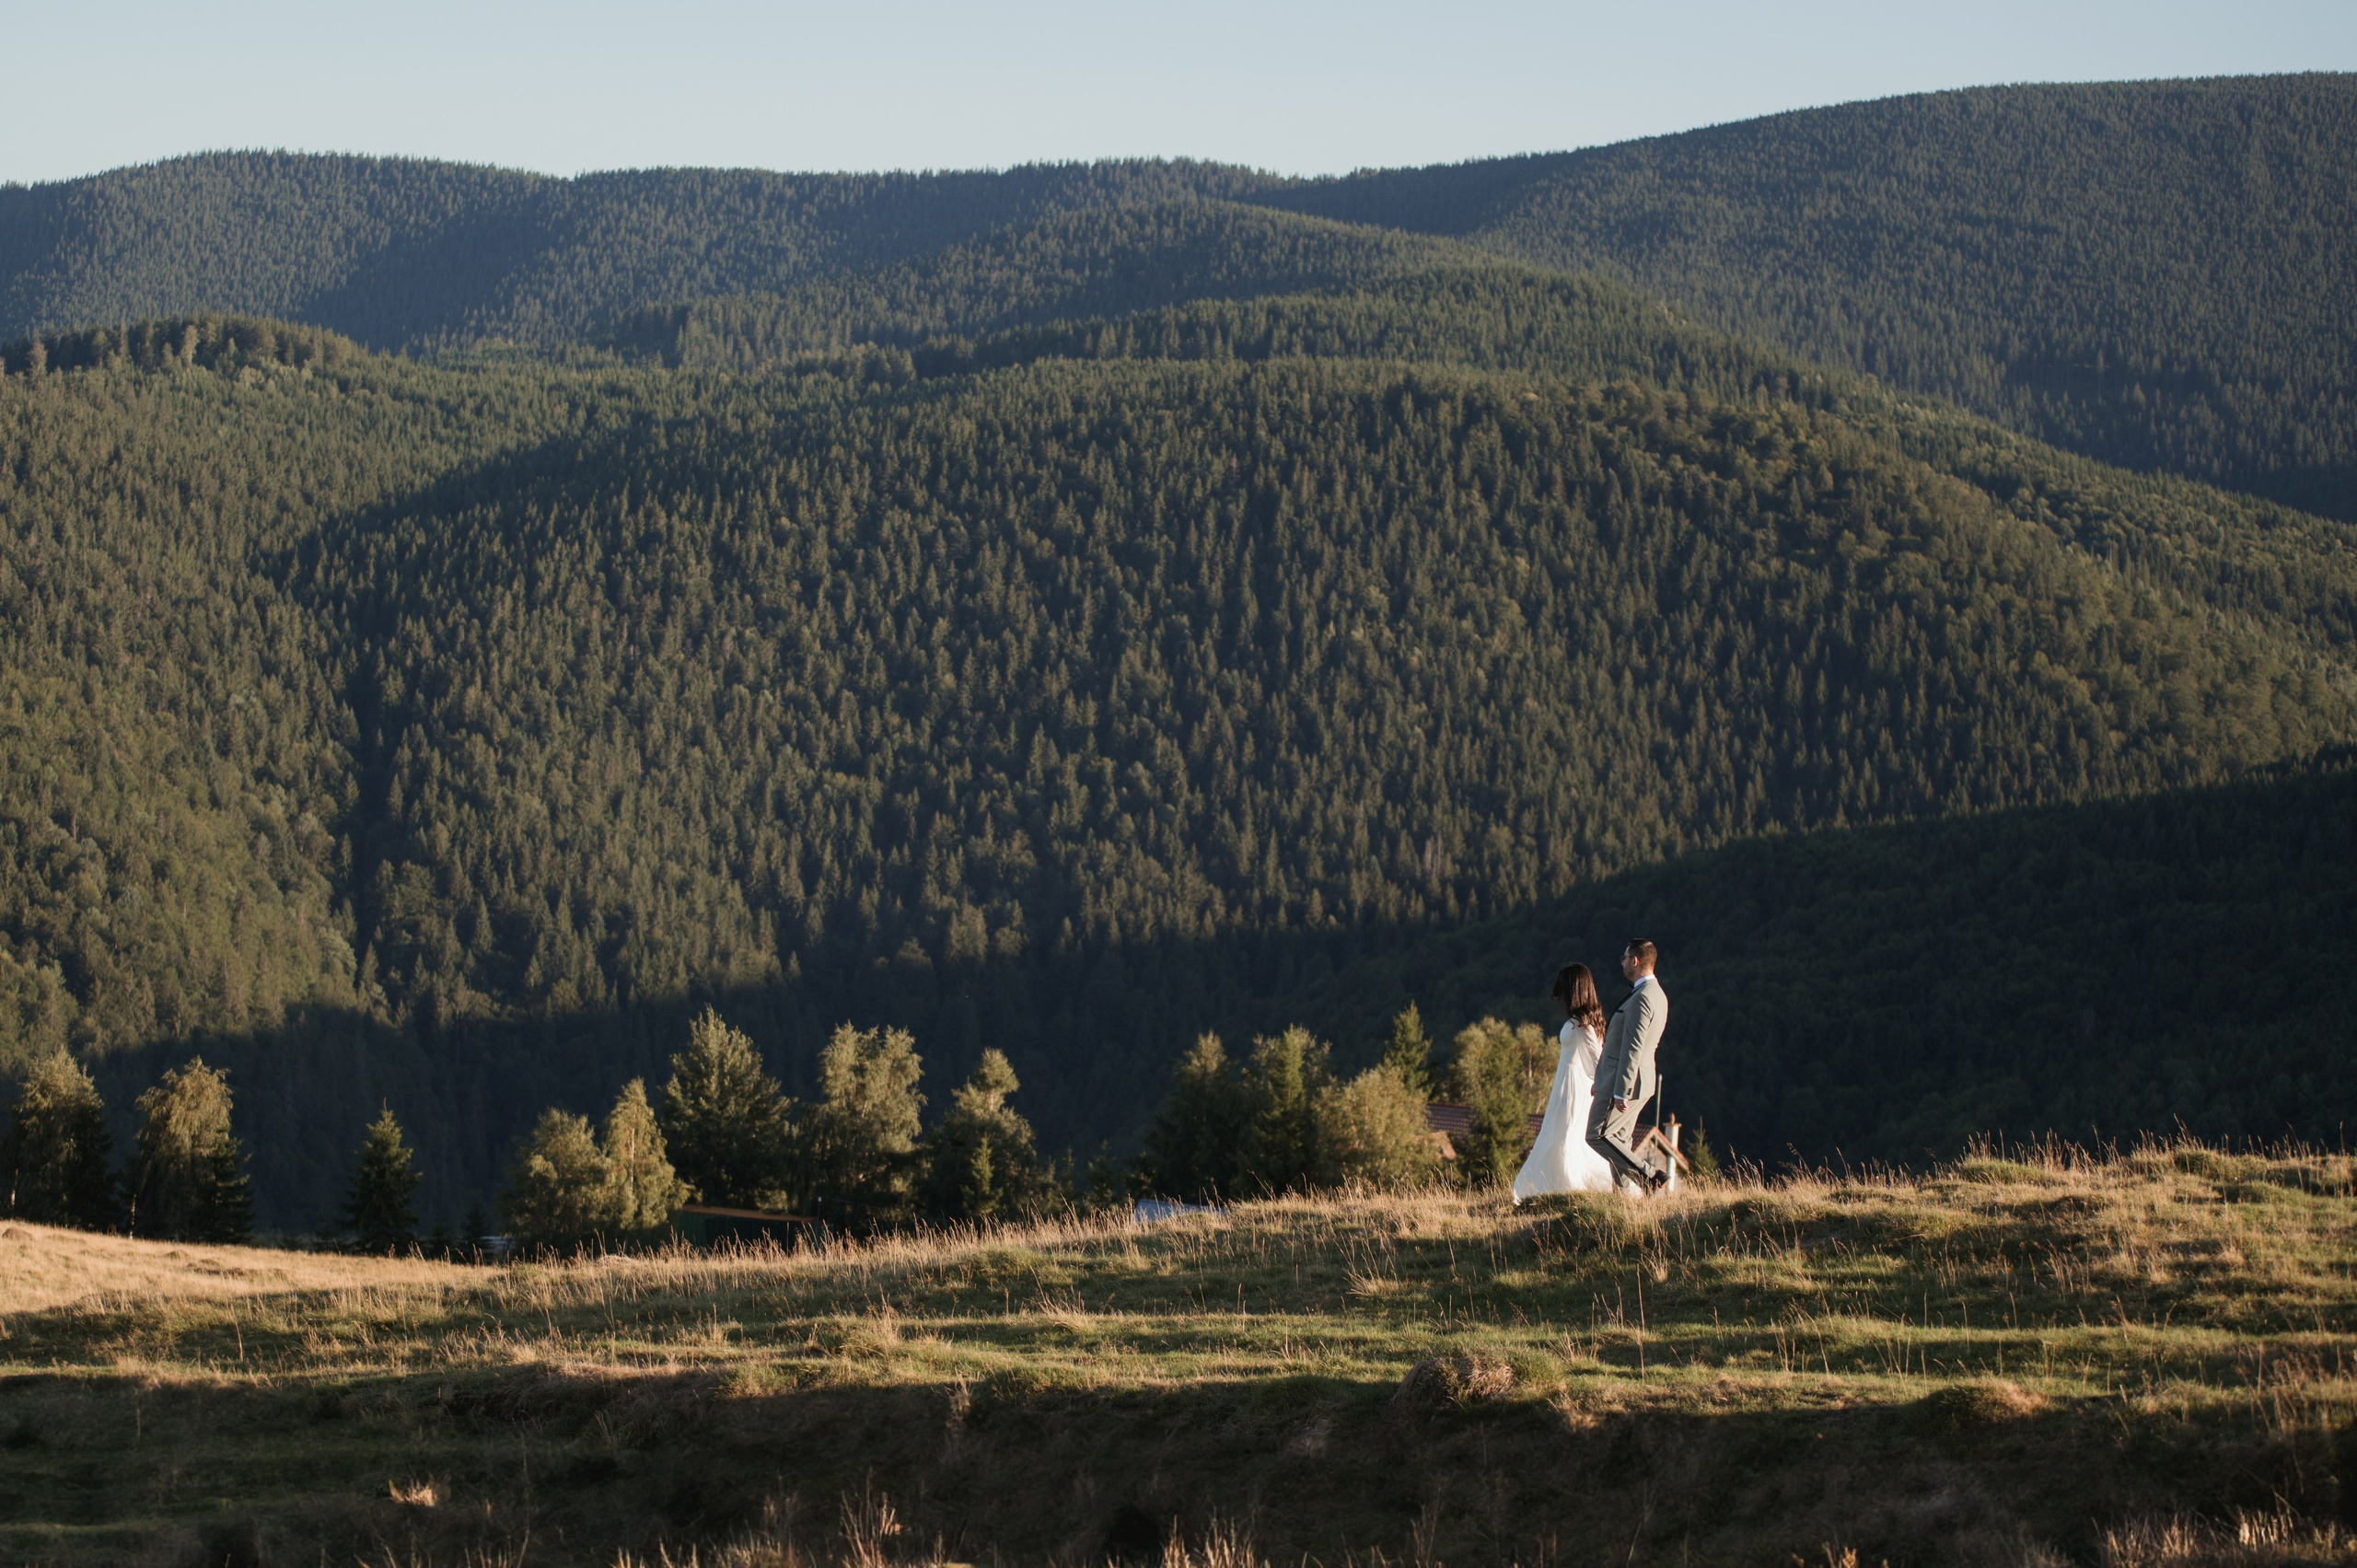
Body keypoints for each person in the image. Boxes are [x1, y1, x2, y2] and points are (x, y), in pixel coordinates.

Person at [1512, 963, 1618, 1202]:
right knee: (1558, 1134)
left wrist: (1599, 1086)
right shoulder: (1584, 1021)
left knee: (1565, 1135)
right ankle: (1554, 1186)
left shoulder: (1582, 1024)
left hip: (1573, 1086)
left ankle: (1567, 1186)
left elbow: (1596, 1059)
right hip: (1567, 1083)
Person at [1586, 939, 1669, 1195]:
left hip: (1622, 1082)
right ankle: (1621, 1200)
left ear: (1635, 961)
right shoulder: (1655, 994)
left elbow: (1633, 1047)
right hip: (1630, 1080)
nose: (1621, 962)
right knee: (1619, 1140)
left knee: (1597, 1135)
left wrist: (1621, 1090)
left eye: (1624, 957)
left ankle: (1648, 1176)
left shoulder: (1643, 997)